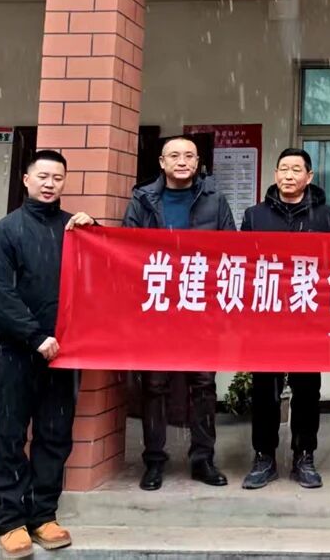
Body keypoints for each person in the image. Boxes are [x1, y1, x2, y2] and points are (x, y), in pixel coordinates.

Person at [0, 149, 95, 558]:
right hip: (18, 351)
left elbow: (103, 273)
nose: (49, 184)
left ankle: (43, 515)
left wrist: (95, 232)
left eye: (57, 178)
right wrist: (33, 335)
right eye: (42, 176)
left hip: (64, 354)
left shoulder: (74, 230)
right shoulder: (6, 230)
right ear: (26, 180)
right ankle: (10, 520)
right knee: (11, 435)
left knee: (54, 435)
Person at [123, 135, 236, 491]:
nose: (182, 161)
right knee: (154, 385)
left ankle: (203, 458)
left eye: (189, 155)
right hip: (157, 308)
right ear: (162, 162)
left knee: (202, 384)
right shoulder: (143, 200)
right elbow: (126, 248)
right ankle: (154, 461)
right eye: (174, 155)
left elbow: (231, 250)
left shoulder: (215, 200)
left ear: (198, 161)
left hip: (200, 308)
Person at [240, 148, 330, 490]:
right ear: (275, 174)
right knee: (265, 391)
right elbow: (242, 264)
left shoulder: (327, 217)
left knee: (307, 390)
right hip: (266, 319)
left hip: (309, 319)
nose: (289, 175)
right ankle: (264, 456)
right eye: (283, 168)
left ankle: (304, 456)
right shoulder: (254, 216)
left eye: (297, 169)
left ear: (309, 177)